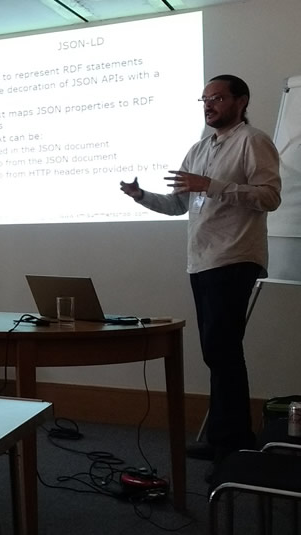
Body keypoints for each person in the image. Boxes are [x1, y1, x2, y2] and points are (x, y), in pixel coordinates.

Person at [120, 74, 282, 471]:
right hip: (202, 261)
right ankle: (224, 437)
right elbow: (179, 204)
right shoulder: (198, 148)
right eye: (205, 99)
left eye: (218, 98)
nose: (209, 105)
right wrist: (141, 197)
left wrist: (213, 185)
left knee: (223, 349)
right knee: (216, 351)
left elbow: (270, 196)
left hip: (235, 257)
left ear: (241, 101)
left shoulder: (253, 141)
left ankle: (235, 442)